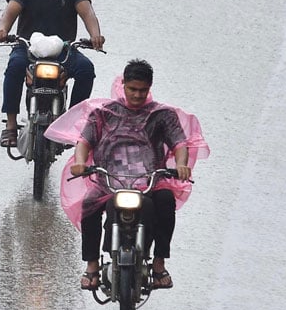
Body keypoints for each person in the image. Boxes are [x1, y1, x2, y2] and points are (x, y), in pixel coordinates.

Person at [44, 59, 210, 290]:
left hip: (151, 181)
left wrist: (182, 165)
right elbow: (84, 141)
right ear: (123, 86)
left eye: (143, 90)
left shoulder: (162, 115)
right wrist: (80, 162)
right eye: (133, 89)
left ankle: (159, 263)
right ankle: (92, 266)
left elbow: (180, 144)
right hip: (110, 181)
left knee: (165, 202)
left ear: (149, 88)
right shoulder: (103, 113)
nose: (137, 95)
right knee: (89, 205)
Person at [0, 0, 105, 147]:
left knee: (86, 69)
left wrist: (95, 35)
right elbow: (10, 11)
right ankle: (10, 125)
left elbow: (87, 13)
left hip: (64, 50)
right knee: (14, 67)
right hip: (27, 49)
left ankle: (72, 123)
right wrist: (2, 30)